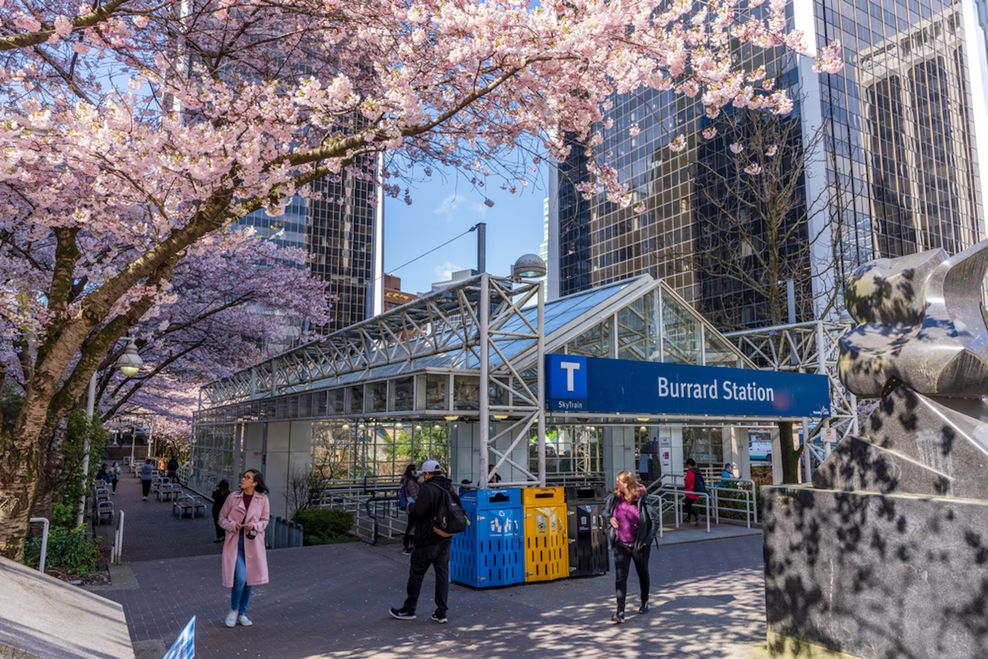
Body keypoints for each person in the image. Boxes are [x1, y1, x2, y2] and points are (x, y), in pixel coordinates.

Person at [389, 459, 454, 624]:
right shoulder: (448, 486)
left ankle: (409, 609)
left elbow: (418, 511)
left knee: (416, 574)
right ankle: (441, 612)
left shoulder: (427, 488)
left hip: (427, 538)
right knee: (442, 575)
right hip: (445, 538)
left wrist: (409, 506)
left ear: (427, 474)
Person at [603, 470, 659, 624]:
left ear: (626, 483)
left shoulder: (641, 498)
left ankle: (644, 601)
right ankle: (620, 612)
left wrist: (646, 541)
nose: (616, 484)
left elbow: (655, 520)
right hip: (621, 544)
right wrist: (610, 519)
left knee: (642, 573)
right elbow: (605, 512)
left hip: (639, 544)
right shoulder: (615, 497)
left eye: (618, 481)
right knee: (620, 578)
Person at [218, 469, 270, 628]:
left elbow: (265, 520)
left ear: (255, 483)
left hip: (253, 544)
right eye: (243, 476)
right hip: (235, 543)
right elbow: (221, 518)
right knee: (240, 578)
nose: (243, 479)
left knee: (250, 580)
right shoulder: (233, 497)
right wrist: (233, 525)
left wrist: (256, 525)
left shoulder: (262, 499)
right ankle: (233, 610)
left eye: (247, 477)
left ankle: (242, 613)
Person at [399, 464, 420, 555]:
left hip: (411, 506)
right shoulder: (410, 481)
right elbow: (414, 494)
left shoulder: (408, 480)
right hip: (413, 506)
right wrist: (420, 502)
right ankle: (408, 546)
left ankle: (409, 545)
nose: (416, 472)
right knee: (412, 526)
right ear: (411, 471)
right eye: (415, 471)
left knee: (412, 526)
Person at [683, 458, 705, 526]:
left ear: (689, 465)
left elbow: (688, 483)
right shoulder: (697, 471)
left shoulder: (690, 472)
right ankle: (688, 518)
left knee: (687, 505)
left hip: (690, 491)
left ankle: (697, 516)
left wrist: (685, 485)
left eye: (687, 465)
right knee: (689, 504)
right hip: (696, 491)